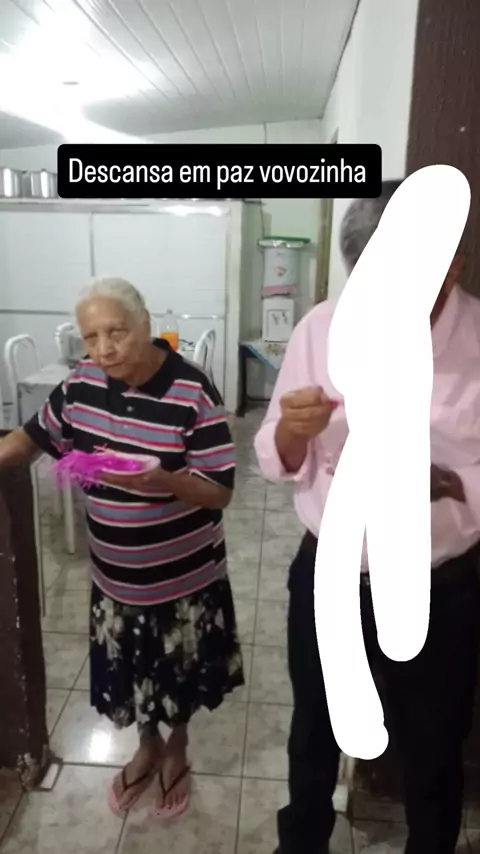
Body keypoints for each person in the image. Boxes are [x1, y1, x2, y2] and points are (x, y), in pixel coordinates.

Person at [254, 180, 480, 854]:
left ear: (452, 264)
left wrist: (444, 481)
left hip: (437, 583)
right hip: (331, 573)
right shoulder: (322, 328)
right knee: (314, 733)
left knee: (433, 746)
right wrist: (291, 431)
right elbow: (273, 454)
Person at [0, 277, 244, 819]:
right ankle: (147, 745)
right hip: (115, 576)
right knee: (134, 673)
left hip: (184, 576)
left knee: (178, 672)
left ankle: (177, 745)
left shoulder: (192, 390)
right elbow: (32, 439)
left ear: (145, 325)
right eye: (91, 337)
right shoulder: (81, 384)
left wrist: (164, 480)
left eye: (117, 332)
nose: (104, 348)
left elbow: (220, 491)